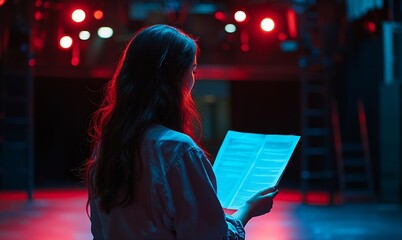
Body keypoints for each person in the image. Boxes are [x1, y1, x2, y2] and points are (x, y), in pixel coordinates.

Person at [85, 24, 278, 240]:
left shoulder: (107, 147)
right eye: (193, 70)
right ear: (175, 76)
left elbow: (100, 233)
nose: (193, 80)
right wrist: (248, 209)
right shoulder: (178, 149)